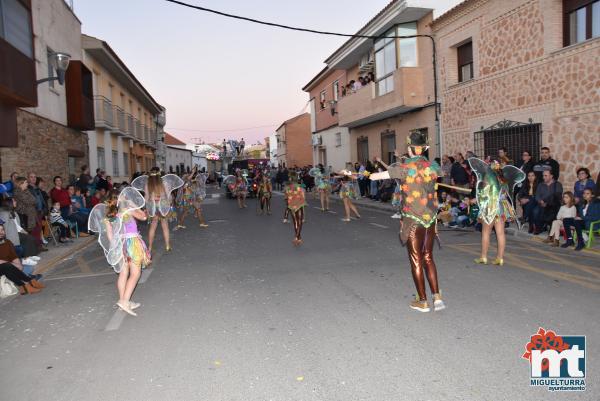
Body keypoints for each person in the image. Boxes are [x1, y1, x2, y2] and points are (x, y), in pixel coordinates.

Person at [370, 131, 445, 312]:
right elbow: (440, 173)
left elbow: (374, 177)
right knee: (428, 256)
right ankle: (437, 298)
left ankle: (423, 301)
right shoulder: (433, 166)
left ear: (411, 149)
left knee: (416, 259)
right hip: (431, 218)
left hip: (413, 218)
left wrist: (368, 173)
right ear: (423, 149)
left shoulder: (404, 167)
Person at [89, 189, 150, 316]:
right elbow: (144, 217)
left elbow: (111, 236)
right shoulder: (127, 210)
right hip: (132, 243)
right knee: (135, 274)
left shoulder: (109, 215)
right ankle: (124, 301)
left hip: (120, 245)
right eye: (124, 196)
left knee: (123, 273)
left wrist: (116, 248)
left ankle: (123, 301)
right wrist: (133, 205)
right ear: (121, 199)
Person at [469, 157, 525, 266]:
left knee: (486, 232)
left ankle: (483, 257)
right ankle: (500, 258)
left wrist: (475, 200)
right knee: (500, 233)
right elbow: (504, 194)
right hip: (501, 208)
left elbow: (484, 194)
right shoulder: (503, 179)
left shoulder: (487, 177)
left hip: (490, 207)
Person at [131, 167, 184, 254]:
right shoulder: (164, 183)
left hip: (153, 207)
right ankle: (167, 245)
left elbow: (146, 198)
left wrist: (146, 207)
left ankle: (150, 247)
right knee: (165, 226)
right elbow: (168, 196)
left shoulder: (148, 184)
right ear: (159, 174)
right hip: (163, 206)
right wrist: (169, 202)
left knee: (153, 227)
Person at [0, 224, 44, 294]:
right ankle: (28, 281)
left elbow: (13, 255)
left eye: (2, 230)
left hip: (9, 266)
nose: (1, 232)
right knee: (7, 266)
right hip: (5, 266)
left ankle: (23, 287)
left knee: (29, 268)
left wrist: (18, 264)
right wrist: (12, 264)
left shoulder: (7, 242)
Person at [532, 170, 563, 234]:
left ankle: (551, 228)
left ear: (551, 176)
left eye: (546, 175)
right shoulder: (541, 184)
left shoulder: (558, 184)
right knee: (535, 212)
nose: (543, 177)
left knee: (553, 212)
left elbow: (557, 195)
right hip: (542, 204)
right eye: (543, 175)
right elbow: (537, 195)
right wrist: (541, 201)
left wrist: (546, 201)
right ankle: (539, 228)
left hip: (553, 205)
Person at [284, 171, 306, 246]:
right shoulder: (300, 187)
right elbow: (303, 198)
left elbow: (286, 197)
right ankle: (297, 238)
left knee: (295, 223)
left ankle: (298, 238)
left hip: (291, 206)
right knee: (299, 223)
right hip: (299, 206)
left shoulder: (287, 187)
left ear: (290, 178)